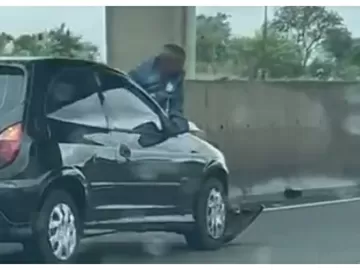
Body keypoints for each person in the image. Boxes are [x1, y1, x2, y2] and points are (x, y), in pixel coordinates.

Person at [128, 44, 189, 133]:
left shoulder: (176, 77)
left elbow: (176, 105)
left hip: (159, 121)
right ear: (165, 62)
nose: (180, 68)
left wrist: (177, 123)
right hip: (138, 120)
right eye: (178, 64)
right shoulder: (141, 74)